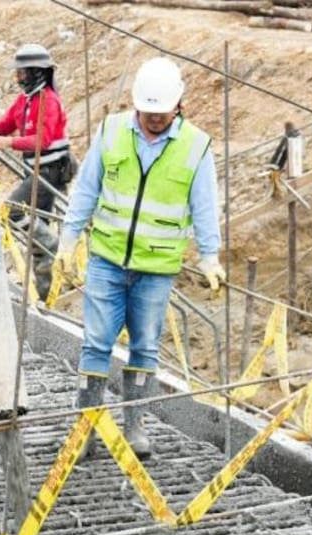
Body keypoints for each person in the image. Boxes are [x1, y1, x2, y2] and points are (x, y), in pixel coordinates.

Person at [57, 57, 224, 459]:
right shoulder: (112, 131)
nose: (153, 119)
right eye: (147, 112)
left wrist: (210, 255)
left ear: (178, 105)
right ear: (136, 106)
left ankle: (135, 426)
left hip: (156, 270)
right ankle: (87, 427)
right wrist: (68, 239)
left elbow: (204, 205)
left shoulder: (195, 146)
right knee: (96, 344)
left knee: (145, 347)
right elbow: (87, 189)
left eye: (161, 113)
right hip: (107, 259)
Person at [0, 43, 73, 295]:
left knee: (14, 212)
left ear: (36, 72)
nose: (18, 77)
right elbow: (3, 125)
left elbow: (41, 139)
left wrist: (9, 143)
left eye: (22, 72)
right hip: (33, 171)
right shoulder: (25, 100)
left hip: (49, 173)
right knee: (36, 231)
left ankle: (52, 245)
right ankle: (45, 292)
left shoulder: (49, 101)